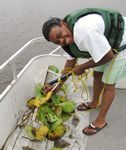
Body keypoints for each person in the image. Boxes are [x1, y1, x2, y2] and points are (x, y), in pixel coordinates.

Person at [42, 8, 126, 135]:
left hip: (122, 43)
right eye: (57, 42)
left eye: (60, 35)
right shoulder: (68, 38)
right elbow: (70, 63)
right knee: (98, 74)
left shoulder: (84, 32)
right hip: (106, 43)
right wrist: (57, 85)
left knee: (109, 84)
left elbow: (108, 56)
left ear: (63, 24)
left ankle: (101, 120)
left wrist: (83, 67)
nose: (62, 41)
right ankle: (94, 103)